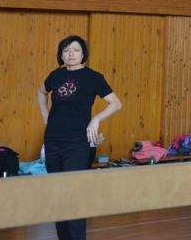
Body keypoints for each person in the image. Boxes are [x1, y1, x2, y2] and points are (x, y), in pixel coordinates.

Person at [36, 35, 122, 240]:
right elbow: (41, 93)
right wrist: (45, 115)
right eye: (66, 51)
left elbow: (116, 103)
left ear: (83, 54)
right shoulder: (55, 75)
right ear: (61, 55)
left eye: (75, 50)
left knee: (73, 195)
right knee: (58, 195)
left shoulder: (93, 78)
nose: (71, 54)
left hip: (78, 145)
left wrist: (96, 119)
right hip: (53, 141)